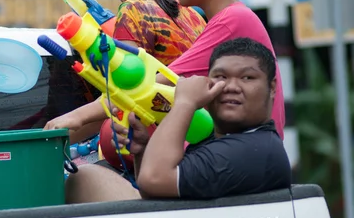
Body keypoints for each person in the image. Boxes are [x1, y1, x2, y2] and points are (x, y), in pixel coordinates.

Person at [60, 0, 287, 204]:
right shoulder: (205, 19)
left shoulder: (231, 20)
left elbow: (146, 84)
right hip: (238, 150)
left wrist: (74, 118)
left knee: (85, 178)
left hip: (240, 153)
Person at [44, 0, 206, 172]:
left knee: (92, 168)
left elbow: (127, 91)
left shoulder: (132, 11)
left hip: (168, 146)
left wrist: (71, 120)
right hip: (203, 134)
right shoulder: (193, 14)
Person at [112, 38, 291, 199]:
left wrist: (185, 102)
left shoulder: (255, 149)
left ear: (272, 87)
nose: (231, 87)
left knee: (89, 177)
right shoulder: (221, 140)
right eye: (221, 77)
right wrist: (142, 149)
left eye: (247, 77)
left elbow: (154, 179)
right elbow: (157, 192)